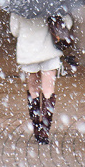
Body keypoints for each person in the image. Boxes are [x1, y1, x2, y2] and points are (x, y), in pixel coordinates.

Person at [10, 11, 71, 144]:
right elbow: (67, 24)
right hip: (49, 50)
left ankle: (36, 126)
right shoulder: (54, 2)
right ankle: (45, 130)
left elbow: (14, 30)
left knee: (33, 90)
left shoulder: (20, 5)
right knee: (48, 90)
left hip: (28, 51)